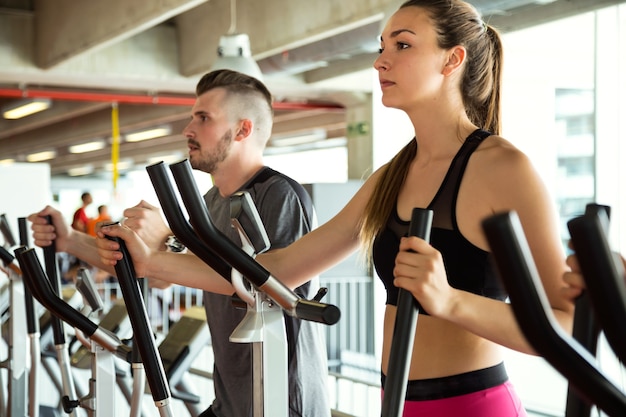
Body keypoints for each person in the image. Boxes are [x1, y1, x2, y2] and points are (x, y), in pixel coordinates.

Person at [94, 1, 574, 416]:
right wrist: (152, 261)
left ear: (453, 59)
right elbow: (275, 270)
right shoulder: (393, 175)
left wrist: (450, 301)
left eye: (402, 46)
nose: (381, 61)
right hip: (397, 401)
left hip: (471, 404)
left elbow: (568, 327)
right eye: (381, 47)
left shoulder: (502, 168)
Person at [29, 69, 331, 417]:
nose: (188, 129)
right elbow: (162, 273)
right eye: (192, 117)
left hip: (282, 401)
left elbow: (268, 284)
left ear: (243, 130)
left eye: (203, 118)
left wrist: (168, 237)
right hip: (232, 401)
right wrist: (70, 240)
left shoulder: (279, 195)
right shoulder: (209, 203)